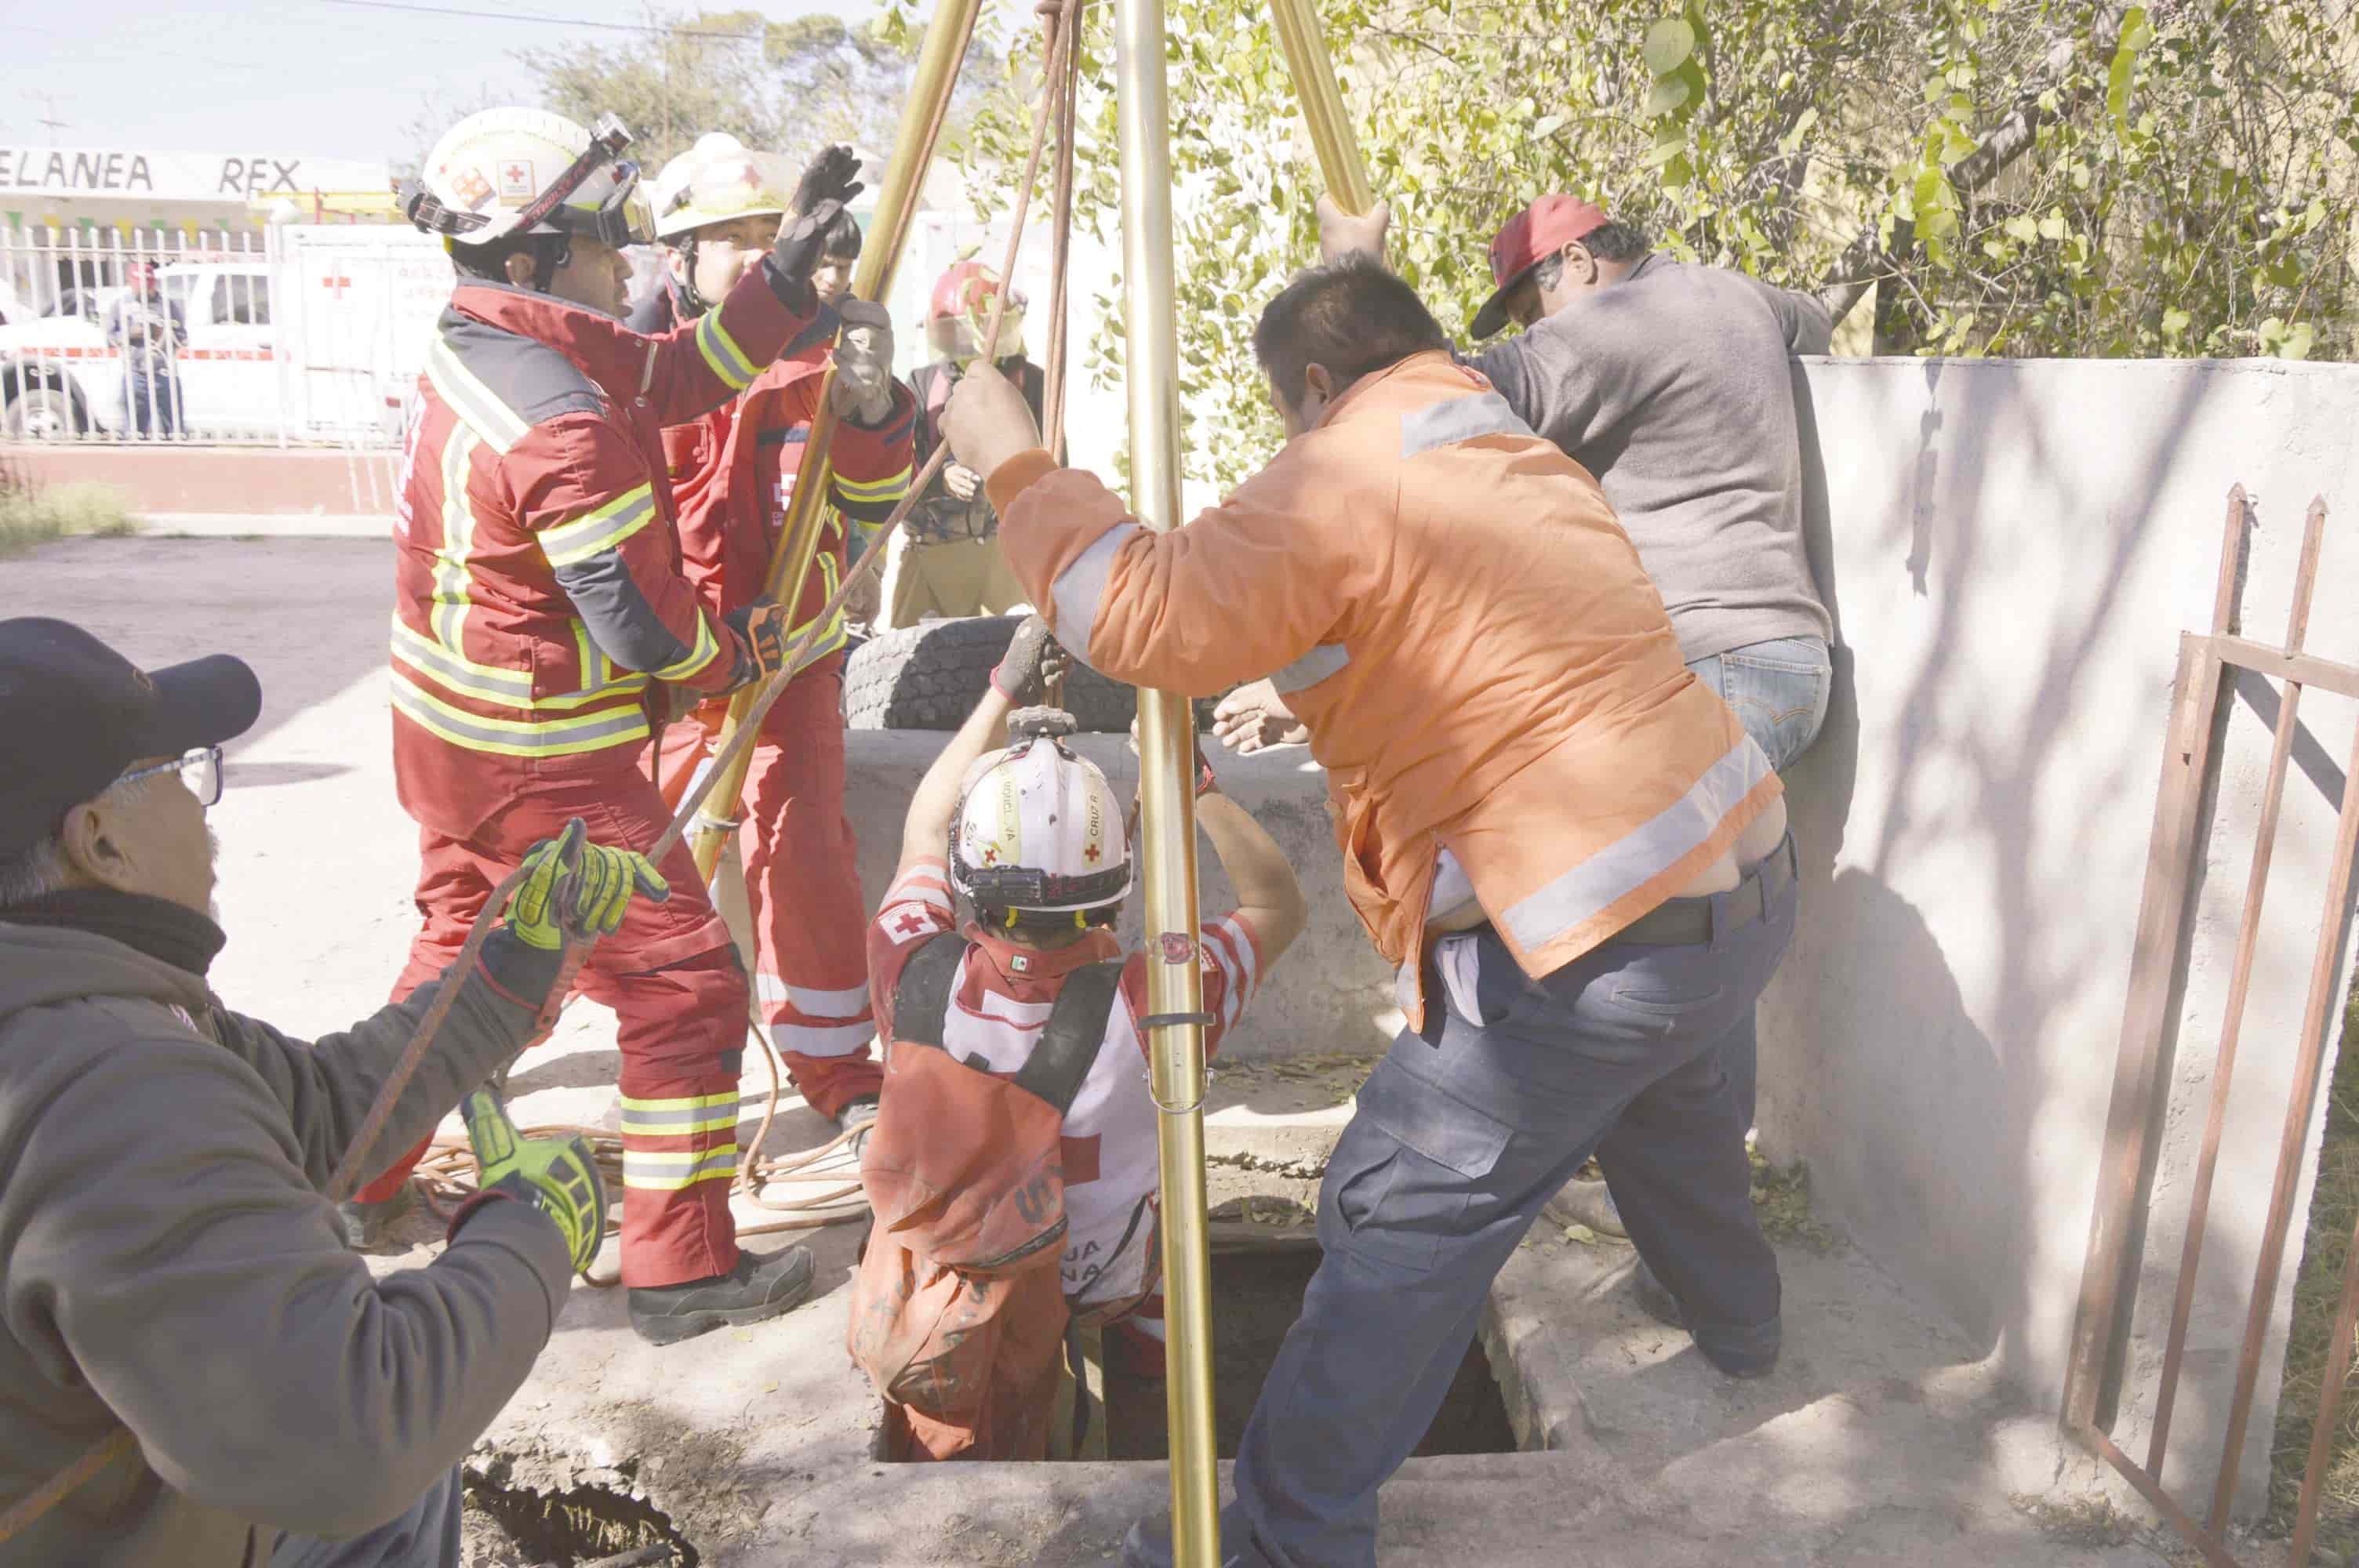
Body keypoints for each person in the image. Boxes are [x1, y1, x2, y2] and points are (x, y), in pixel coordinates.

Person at [943, 254, 1795, 1567]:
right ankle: (1742, 1330)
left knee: (1392, 1216)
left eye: (1293, 413)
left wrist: (1013, 464)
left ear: (1320, 387)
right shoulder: (1501, 442)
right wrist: (1308, 689)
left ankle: (1283, 1542)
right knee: (1670, 1108)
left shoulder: (1340, 465)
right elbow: (1457, 623)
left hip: (1582, 942)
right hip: (1735, 883)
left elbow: (1140, 610)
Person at [350, 107, 863, 1347]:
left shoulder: (496, 341)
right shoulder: (561, 419)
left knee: (465, 966)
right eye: (603, 238)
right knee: (683, 987)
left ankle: (353, 1173)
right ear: (531, 257)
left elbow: (675, 371)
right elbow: (647, 631)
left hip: (455, 738)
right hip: (544, 761)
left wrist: (783, 276)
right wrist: (736, 648)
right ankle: (680, 1269)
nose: (628, 259)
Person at [0, 616, 659, 1567]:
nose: (204, 809)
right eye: (177, 772)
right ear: (99, 840)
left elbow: (308, 1105)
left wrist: (513, 967)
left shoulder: (86, 1001)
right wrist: (531, 1229)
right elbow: (356, 1433)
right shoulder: (109, 1079)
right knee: (392, 1457)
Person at [848, 618, 1305, 1460]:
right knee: (1158, 1293)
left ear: (968, 882)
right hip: (1106, 1268)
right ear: (1117, 879)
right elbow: (1277, 905)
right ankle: (1151, 1454)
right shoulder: (1159, 995)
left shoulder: (909, 964)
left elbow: (922, 829)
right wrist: (1191, 783)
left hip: (963, 1268)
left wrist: (1002, 691)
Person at [631, 132, 918, 1142]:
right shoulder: (636, 371)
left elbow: (872, 506)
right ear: (678, 257)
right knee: (627, 863)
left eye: (773, 236)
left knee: (802, 849)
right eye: (737, 241)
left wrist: (878, 407)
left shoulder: (821, 354)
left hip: (790, 655)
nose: (765, 258)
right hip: (664, 668)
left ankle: (836, 1066)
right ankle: (526, 1037)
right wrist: (689, 643)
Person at [893, 260, 1042, 625]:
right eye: (953, 334)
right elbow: (896, 473)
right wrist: (941, 477)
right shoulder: (923, 385)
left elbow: (1058, 469)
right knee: (913, 667)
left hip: (1008, 559)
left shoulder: (1031, 384)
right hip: (931, 557)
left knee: (1016, 663)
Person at [104, 260, 185, 438]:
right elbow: (109, 339)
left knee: (175, 432)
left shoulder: (168, 306)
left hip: (164, 372)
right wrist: (129, 335)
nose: (142, 291)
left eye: (146, 286)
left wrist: (164, 334)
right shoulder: (120, 305)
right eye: (138, 286)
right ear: (130, 283)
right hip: (136, 372)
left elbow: (182, 338)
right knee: (134, 432)